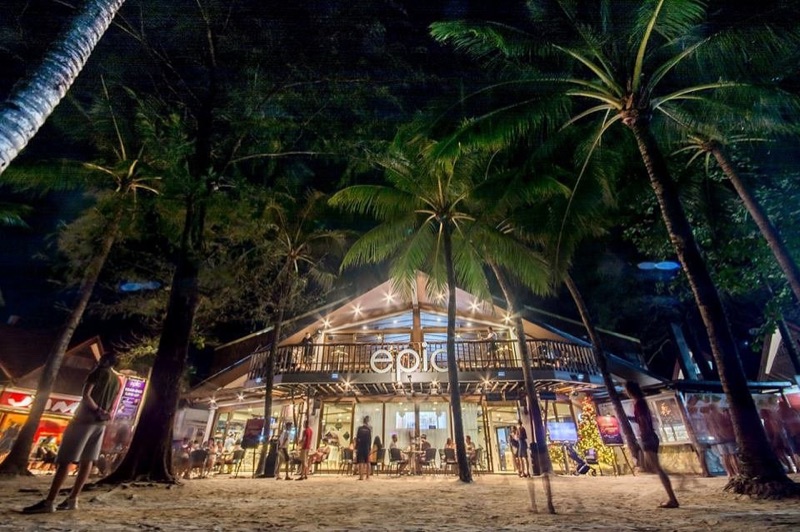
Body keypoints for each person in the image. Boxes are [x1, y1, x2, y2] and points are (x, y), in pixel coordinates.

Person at [23, 352, 121, 514]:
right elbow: (114, 403)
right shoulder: (116, 381)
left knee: (66, 460)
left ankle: (50, 501)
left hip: (83, 420)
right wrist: (105, 412)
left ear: (104, 361)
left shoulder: (97, 373)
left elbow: (86, 395)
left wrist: (97, 409)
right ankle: (73, 499)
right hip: (100, 424)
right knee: (87, 460)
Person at [624, 380, 679, 509]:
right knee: (654, 467)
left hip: (647, 436)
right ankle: (672, 495)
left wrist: (644, 435)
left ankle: (673, 498)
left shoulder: (639, 403)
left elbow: (643, 420)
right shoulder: (640, 402)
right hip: (649, 435)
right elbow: (642, 419)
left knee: (657, 468)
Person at [705, 403, 739, 476]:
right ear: (715, 408)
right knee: (733, 455)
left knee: (724, 456)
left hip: (718, 440)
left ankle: (729, 472)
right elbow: (727, 425)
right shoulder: (720, 416)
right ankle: (737, 472)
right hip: (727, 438)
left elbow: (708, 429)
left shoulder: (708, 418)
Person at [778, 399, 800, 472]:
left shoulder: (787, 413)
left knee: (795, 450)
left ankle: (798, 466)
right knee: (795, 451)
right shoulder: (792, 411)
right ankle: (798, 466)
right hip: (792, 433)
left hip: (793, 433)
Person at [355, 416, 372, 480]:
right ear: (367, 422)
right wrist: (369, 448)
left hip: (360, 446)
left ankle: (361, 476)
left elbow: (357, 438)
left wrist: (356, 447)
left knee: (361, 462)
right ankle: (367, 476)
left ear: (363, 422)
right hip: (366, 446)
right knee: (367, 461)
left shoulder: (359, 429)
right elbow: (370, 439)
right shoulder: (368, 430)